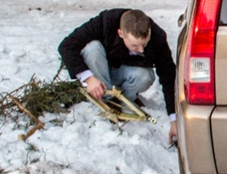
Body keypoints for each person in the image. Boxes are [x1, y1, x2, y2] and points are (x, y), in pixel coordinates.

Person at [59, 8, 177, 143]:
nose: (141, 50)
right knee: (92, 48)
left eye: (144, 44)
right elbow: (66, 46)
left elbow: (168, 76)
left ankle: (123, 102)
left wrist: (174, 119)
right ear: (120, 33)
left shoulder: (158, 37)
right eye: (135, 45)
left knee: (146, 75)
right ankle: (105, 100)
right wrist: (89, 78)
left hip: (126, 73)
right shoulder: (105, 22)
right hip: (101, 73)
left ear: (149, 30)